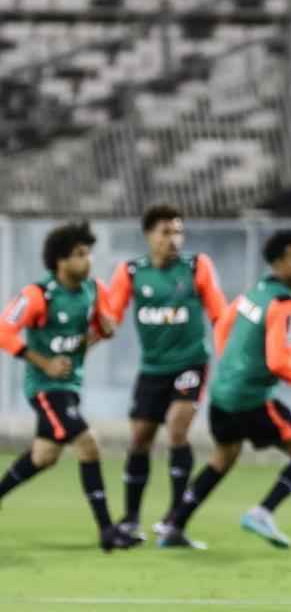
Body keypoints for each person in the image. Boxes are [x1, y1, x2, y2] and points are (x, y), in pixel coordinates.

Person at [157, 229, 291, 550]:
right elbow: (279, 361)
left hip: (223, 394)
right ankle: (262, 513)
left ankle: (174, 526)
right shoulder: (284, 304)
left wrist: (232, 364)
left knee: (223, 457)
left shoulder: (256, 291)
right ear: (279, 262)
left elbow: (223, 326)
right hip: (251, 401)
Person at [0, 221, 136, 551]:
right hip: (45, 388)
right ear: (60, 261)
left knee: (44, 456)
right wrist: (44, 362)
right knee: (88, 443)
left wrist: (104, 331)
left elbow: (98, 332)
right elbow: (4, 332)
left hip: (70, 385)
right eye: (79, 254)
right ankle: (107, 531)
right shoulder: (37, 295)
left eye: (88, 253)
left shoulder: (95, 290)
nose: (87, 260)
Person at [107, 204, 228, 543]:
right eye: (165, 232)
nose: (173, 239)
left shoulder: (197, 266)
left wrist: (228, 350)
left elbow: (219, 312)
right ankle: (131, 519)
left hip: (190, 363)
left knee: (177, 429)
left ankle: (175, 520)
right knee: (140, 438)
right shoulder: (131, 272)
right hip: (152, 369)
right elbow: (111, 317)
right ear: (149, 235)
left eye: (178, 232)